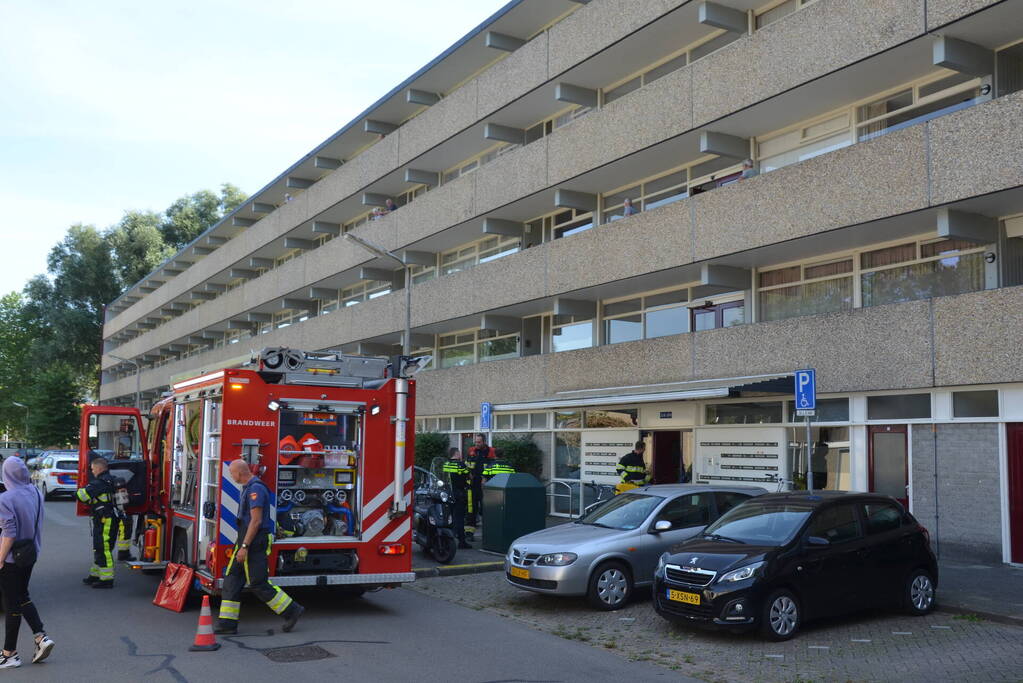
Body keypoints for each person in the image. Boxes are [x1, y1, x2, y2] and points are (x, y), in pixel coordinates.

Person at [216, 460, 303, 635]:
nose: (231, 476)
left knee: (258, 583)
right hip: (245, 539)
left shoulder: (256, 489)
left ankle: (292, 610)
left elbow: (256, 521)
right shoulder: (248, 488)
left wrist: (245, 546)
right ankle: (227, 624)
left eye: (232, 473)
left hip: (254, 542)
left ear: (240, 473)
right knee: (232, 579)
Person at [0, 457, 54, 668]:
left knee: (12, 604)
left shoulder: (6, 498)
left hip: (11, 558)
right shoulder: (35, 492)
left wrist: (0, 559)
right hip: (30, 554)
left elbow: (9, 534)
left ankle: (9, 654)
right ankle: (41, 637)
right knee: (23, 596)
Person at [77, 457, 122, 588]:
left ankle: (106, 579)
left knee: (103, 548)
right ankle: (95, 575)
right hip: (110, 518)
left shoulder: (99, 483)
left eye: (92, 469)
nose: (92, 471)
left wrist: (81, 488)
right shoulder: (112, 480)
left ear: (99, 468)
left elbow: (81, 495)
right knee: (100, 547)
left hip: (105, 520)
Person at [464, 435, 495, 537]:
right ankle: (469, 533)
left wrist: (486, 479)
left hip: (485, 486)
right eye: (476, 442)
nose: (476, 444)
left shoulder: (490, 452)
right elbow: (466, 465)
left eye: (479, 442)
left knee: (486, 509)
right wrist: (468, 474)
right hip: (472, 485)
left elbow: (493, 468)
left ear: (484, 442)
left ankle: (489, 533)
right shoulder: (471, 451)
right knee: (471, 509)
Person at [441, 448, 471, 549]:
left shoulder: (446, 464)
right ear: (456, 453)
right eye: (459, 453)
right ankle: (462, 541)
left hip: (447, 494)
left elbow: (443, 478)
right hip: (459, 493)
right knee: (459, 518)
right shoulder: (462, 465)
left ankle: (448, 539)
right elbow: (469, 476)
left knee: (449, 516)